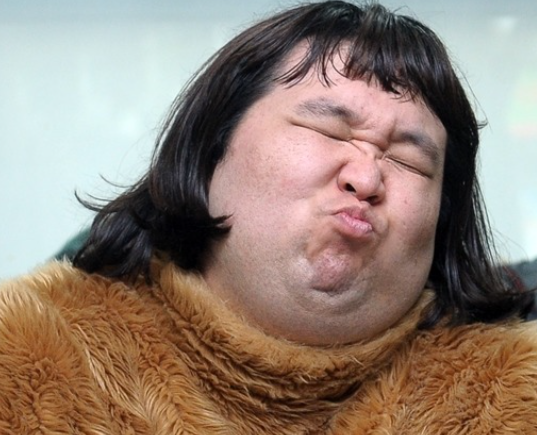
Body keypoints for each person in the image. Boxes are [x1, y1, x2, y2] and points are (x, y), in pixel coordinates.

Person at [2, 1, 537, 433]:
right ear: (211, 149)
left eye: (408, 161)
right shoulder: (31, 356)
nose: (366, 178)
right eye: (328, 130)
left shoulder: (512, 394)